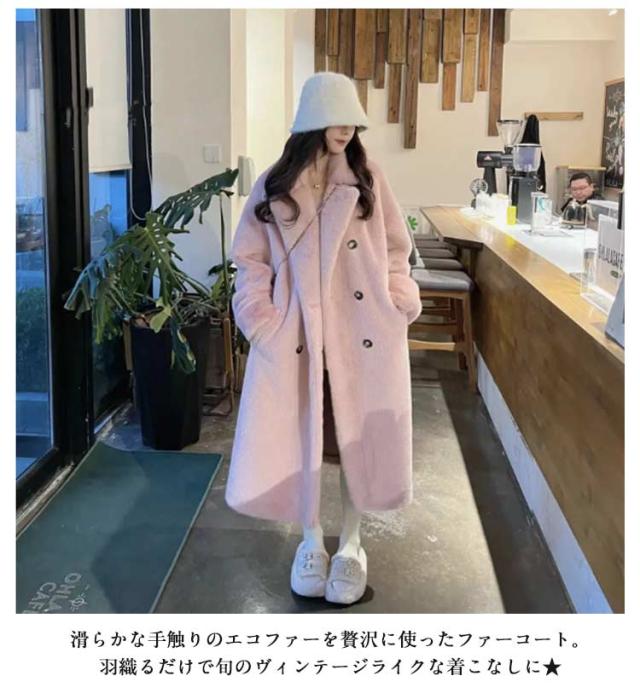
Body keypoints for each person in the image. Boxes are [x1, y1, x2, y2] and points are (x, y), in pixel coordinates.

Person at [225, 71, 422, 606]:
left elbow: (397, 248)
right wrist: (261, 319)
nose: (346, 129)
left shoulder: (368, 178)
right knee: (305, 439)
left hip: (363, 334)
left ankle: (352, 544)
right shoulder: (276, 184)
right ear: (311, 119)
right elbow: (250, 259)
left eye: (352, 120)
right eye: (337, 118)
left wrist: (398, 298)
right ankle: (311, 540)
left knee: (356, 441)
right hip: (297, 337)